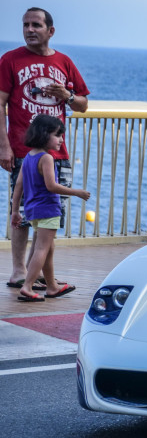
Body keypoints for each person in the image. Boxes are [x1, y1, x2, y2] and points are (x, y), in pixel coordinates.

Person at [1, 7, 89, 289]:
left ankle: (36, 273)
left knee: (49, 215)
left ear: (50, 31)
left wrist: (67, 95)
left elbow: (83, 104)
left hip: (57, 154)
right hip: (23, 152)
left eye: (36, 25)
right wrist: (3, 146)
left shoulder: (64, 62)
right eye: (25, 25)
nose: (29, 30)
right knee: (23, 211)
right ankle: (18, 272)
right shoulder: (10, 60)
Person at [11, 115, 88, 301]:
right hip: (48, 209)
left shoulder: (29, 156)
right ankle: (27, 287)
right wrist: (76, 192)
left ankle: (52, 286)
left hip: (33, 210)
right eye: (57, 135)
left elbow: (19, 185)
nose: (61, 140)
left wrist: (15, 211)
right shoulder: (47, 158)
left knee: (48, 249)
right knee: (42, 249)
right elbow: (51, 186)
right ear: (44, 135)